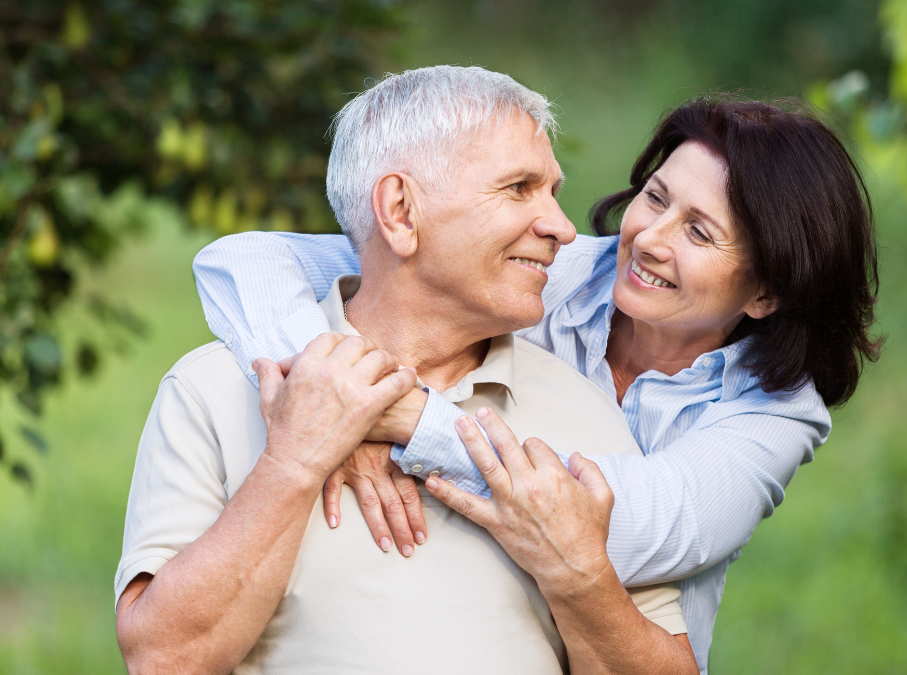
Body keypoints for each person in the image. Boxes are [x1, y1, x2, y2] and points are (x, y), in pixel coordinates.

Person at [193, 82, 881, 672]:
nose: (649, 238)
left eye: (700, 233)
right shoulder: (545, 273)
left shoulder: (777, 413)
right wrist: (332, 388)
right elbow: (245, 263)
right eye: (655, 196)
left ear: (764, 292)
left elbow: (615, 523)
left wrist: (395, 415)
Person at [115, 65, 698, 675]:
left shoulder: (583, 409)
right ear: (399, 210)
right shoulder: (212, 391)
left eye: (552, 191)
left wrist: (579, 577)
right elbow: (164, 661)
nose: (562, 226)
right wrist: (294, 462)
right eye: (519, 188)